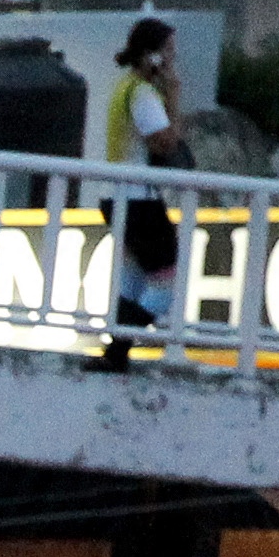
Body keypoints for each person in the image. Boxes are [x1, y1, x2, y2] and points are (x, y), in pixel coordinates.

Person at [98, 19, 194, 365]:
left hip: (118, 198)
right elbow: (165, 143)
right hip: (139, 201)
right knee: (166, 283)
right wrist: (174, 96)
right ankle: (117, 350)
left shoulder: (123, 87)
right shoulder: (143, 93)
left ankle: (115, 352)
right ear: (152, 56)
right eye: (169, 53)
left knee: (134, 279)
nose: (172, 62)